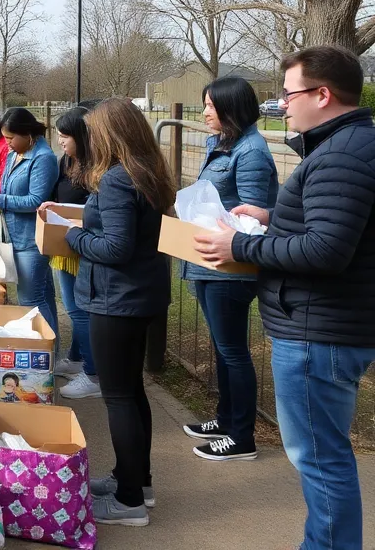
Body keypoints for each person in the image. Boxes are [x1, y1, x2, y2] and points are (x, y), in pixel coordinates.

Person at [195, 46, 375, 550]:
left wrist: (241, 243)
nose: (282, 103)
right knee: (322, 456)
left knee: (319, 459)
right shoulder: (347, 146)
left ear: (323, 95)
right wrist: (275, 218)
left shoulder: (341, 153)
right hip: (326, 326)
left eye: (289, 93)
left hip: (320, 331)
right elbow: (334, 229)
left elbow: (326, 250)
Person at [65, 98, 175, 528]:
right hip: (139, 295)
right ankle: (135, 480)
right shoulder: (148, 173)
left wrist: (73, 235)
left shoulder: (115, 179)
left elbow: (115, 246)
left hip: (118, 299)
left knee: (118, 397)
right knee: (132, 392)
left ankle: (129, 501)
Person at [181, 77, 277, 462]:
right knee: (224, 349)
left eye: (211, 105)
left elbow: (251, 216)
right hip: (208, 263)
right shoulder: (222, 143)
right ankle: (224, 419)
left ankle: (241, 436)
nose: (205, 112)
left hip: (230, 268)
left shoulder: (251, 151)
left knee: (234, 351)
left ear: (231, 108)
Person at [0, 107, 59, 341]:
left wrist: (1, 200)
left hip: (31, 240)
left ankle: (43, 350)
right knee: (41, 296)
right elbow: (7, 187)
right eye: (5, 138)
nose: (7, 144)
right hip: (15, 234)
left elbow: (36, 200)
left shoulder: (43, 158)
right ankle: (50, 350)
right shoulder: (16, 154)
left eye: (11, 138)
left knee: (30, 299)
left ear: (27, 134)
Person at [42, 106, 100, 400]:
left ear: (82, 136)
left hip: (83, 246)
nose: (61, 141)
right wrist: (51, 206)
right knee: (73, 305)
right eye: (59, 134)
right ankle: (77, 358)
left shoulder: (97, 168)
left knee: (79, 309)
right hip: (64, 241)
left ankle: (93, 374)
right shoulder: (66, 160)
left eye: (66, 135)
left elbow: (94, 209)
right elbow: (57, 194)